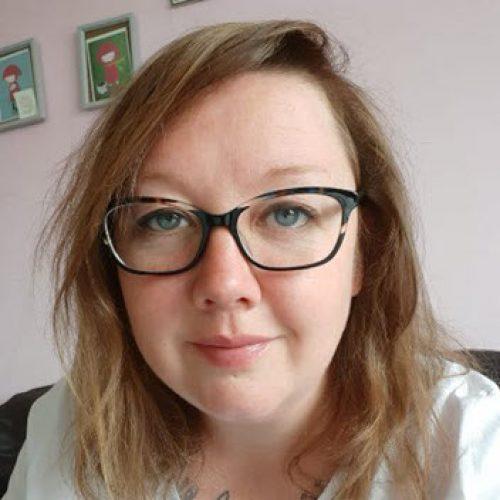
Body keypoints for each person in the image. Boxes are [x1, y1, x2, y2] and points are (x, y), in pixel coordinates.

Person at [4, 20, 500, 500]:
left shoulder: (473, 452)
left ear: (363, 252)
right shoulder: (63, 434)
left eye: (288, 213)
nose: (224, 284)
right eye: (163, 219)